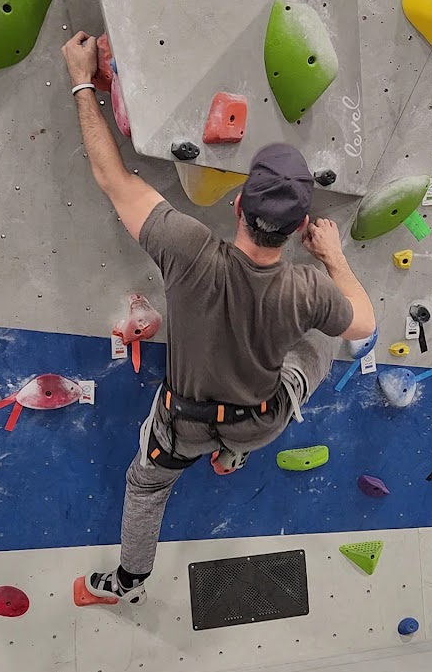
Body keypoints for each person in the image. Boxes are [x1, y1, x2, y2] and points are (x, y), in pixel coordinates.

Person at [62, 31, 375, 606]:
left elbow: (114, 179)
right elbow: (363, 325)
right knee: (323, 341)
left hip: (183, 425)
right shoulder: (307, 288)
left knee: (145, 487)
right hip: (259, 420)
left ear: (237, 206)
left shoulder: (188, 249)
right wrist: (334, 258)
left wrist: (84, 83)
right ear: (298, 229)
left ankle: (128, 583)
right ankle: (231, 455)